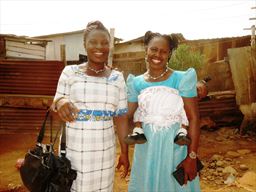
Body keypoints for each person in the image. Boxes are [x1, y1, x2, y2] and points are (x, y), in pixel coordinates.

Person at [52, 20, 129, 192]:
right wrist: (60, 102)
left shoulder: (117, 78)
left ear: (110, 46)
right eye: (93, 42)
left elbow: (122, 117)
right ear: (85, 44)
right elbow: (54, 106)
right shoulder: (70, 72)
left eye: (104, 43)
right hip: (74, 150)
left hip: (104, 151)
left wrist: (124, 152)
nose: (99, 47)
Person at [127, 31, 201, 191]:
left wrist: (192, 157)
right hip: (147, 149)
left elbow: (193, 118)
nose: (157, 54)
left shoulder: (181, 79)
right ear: (146, 49)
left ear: (169, 54)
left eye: (163, 51)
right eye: (153, 49)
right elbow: (126, 115)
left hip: (175, 146)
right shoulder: (136, 83)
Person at [124, 80, 208, 145]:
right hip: (156, 108)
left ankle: (181, 134)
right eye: (197, 89)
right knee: (141, 105)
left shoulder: (189, 106)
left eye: (199, 96)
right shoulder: (177, 85)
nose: (196, 94)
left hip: (170, 123)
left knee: (184, 114)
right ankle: (138, 131)